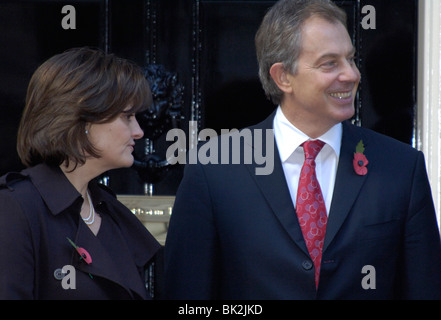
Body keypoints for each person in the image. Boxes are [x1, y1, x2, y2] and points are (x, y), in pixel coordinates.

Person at [164, 0, 441, 299]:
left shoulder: (401, 167)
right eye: (330, 63)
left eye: (351, 59)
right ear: (283, 77)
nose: (351, 74)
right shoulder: (214, 169)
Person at [0, 47, 163, 299]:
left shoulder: (110, 211)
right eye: (127, 116)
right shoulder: (16, 207)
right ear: (83, 120)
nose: (139, 131)